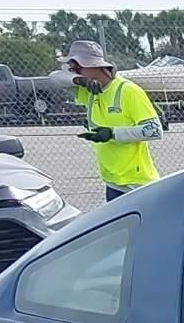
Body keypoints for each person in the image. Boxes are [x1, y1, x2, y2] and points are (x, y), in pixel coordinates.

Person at [62, 39, 163, 204]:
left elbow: (154, 130)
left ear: (93, 65)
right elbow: (55, 78)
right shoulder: (88, 90)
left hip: (136, 183)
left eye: (77, 68)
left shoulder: (128, 91)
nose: (74, 72)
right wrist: (82, 81)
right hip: (112, 182)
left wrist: (112, 134)